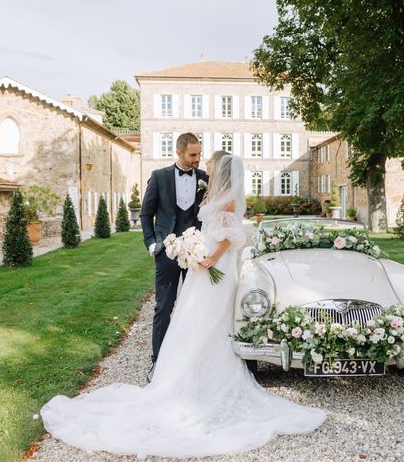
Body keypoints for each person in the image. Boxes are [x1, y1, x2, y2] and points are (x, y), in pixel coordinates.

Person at [40, 154, 326, 459]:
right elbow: (212, 229)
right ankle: (190, 375)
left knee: (210, 320)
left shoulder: (228, 197)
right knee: (193, 318)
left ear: (222, 169)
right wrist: (192, 247)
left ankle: (205, 379)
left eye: (212, 164)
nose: (208, 166)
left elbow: (233, 236)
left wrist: (210, 256)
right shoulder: (214, 192)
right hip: (204, 263)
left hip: (218, 265)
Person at [139, 133, 209, 382]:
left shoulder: (204, 178)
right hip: (167, 253)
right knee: (163, 307)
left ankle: (192, 362)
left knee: (196, 308)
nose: (197, 159)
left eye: (199, 154)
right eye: (193, 155)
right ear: (179, 153)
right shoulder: (159, 177)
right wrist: (151, 244)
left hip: (196, 254)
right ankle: (158, 362)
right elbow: (146, 214)